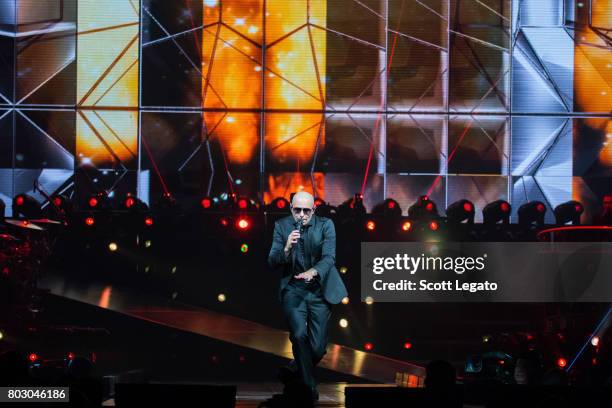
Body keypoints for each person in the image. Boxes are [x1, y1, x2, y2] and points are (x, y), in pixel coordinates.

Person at [268, 191, 347, 402]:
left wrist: (313, 271)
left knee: (318, 347)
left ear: (313, 210)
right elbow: (272, 261)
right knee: (299, 335)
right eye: (297, 210)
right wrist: (286, 248)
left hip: (318, 289)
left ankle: (295, 369)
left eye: (306, 210)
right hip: (293, 290)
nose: (301, 215)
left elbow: (329, 257)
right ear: (290, 208)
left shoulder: (325, 225)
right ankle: (308, 387)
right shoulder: (282, 226)